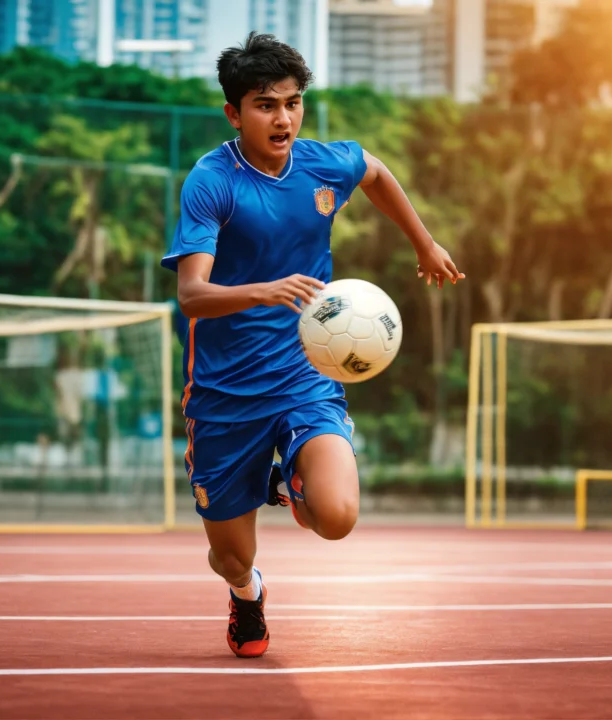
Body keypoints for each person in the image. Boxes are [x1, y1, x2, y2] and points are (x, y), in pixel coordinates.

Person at [160, 32, 464, 659]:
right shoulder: (211, 181)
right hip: (224, 392)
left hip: (306, 377)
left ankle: (290, 482)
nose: (284, 118)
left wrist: (423, 243)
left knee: (337, 516)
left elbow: (375, 171)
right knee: (228, 555)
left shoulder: (323, 164)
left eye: (293, 103)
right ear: (234, 113)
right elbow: (191, 295)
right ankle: (248, 596)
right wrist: (264, 290)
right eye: (266, 105)